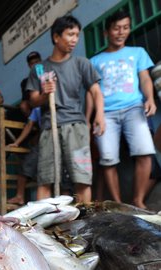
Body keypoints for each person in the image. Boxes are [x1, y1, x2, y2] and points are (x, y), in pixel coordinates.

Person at [26, 15, 105, 203]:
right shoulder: (40, 69)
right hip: (49, 128)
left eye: (77, 35)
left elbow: (96, 91)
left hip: (76, 127)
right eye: (70, 34)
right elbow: (32, 101)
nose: (74, 40)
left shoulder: (81, 64)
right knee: (46, 180)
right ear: (56, 37)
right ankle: (39, 228)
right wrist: (44, 94)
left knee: (82, 178)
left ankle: (85, 224)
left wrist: (100, 115)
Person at [90, 11, 156, 209]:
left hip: (134, 107)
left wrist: (150, 98)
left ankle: (138, 200)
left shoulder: (138, 53)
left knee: (145, 153)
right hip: (106, 113)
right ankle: (118, 205)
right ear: (106, 32)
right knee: (108, 159)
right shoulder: (95, 61)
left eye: (125, 27)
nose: (121, 32)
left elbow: (144, 78)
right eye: (116, 28)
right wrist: (95, 116)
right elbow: (93, 93)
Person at [19, 51, 42, 118]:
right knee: (23, 105)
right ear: (29, 66)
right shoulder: (25, 82)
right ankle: (35, 125)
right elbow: (26, 100)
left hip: (47, 101)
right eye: (32, 63)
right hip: (34, 105)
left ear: (41, 62)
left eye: (37, 62)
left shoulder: (47, 74)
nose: (35, 65)